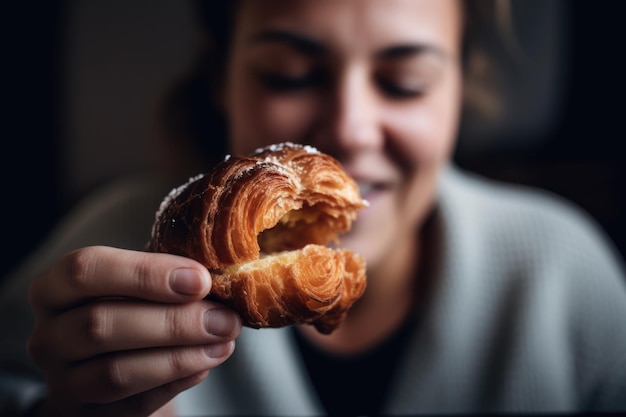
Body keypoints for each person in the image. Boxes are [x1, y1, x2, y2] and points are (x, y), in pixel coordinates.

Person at [1, 0, 625, 416]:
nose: (350, 130)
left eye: (403, 81)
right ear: (222, 78)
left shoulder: (562, 272)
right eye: (290, 74)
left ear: (463, 86)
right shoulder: (111, 249)